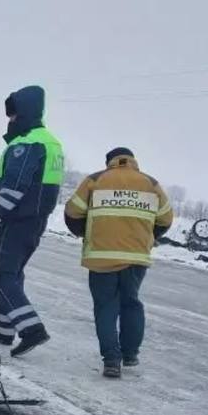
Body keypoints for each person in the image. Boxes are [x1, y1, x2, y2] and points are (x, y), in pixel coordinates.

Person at [63, 147, 174, 378]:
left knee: (105, 307)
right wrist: (149, 237)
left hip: (101, 256)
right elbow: (166, 218)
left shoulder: (95, 180)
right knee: (131, 303)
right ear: (133, 161)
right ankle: (130, 353)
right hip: (136, 258)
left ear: (109, 162)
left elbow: (72, 212)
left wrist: (86, 233)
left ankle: (112, 361)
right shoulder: (151, 184)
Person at [0, 85, 66, 357]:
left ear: (25, 113)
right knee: (13, 276)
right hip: (34, 221)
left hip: (17, 220)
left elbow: (14, 187)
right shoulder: (50, 141)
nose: (10, 121)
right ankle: (5, 331)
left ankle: (32, 330)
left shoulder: (27, 144)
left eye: (13, 115)